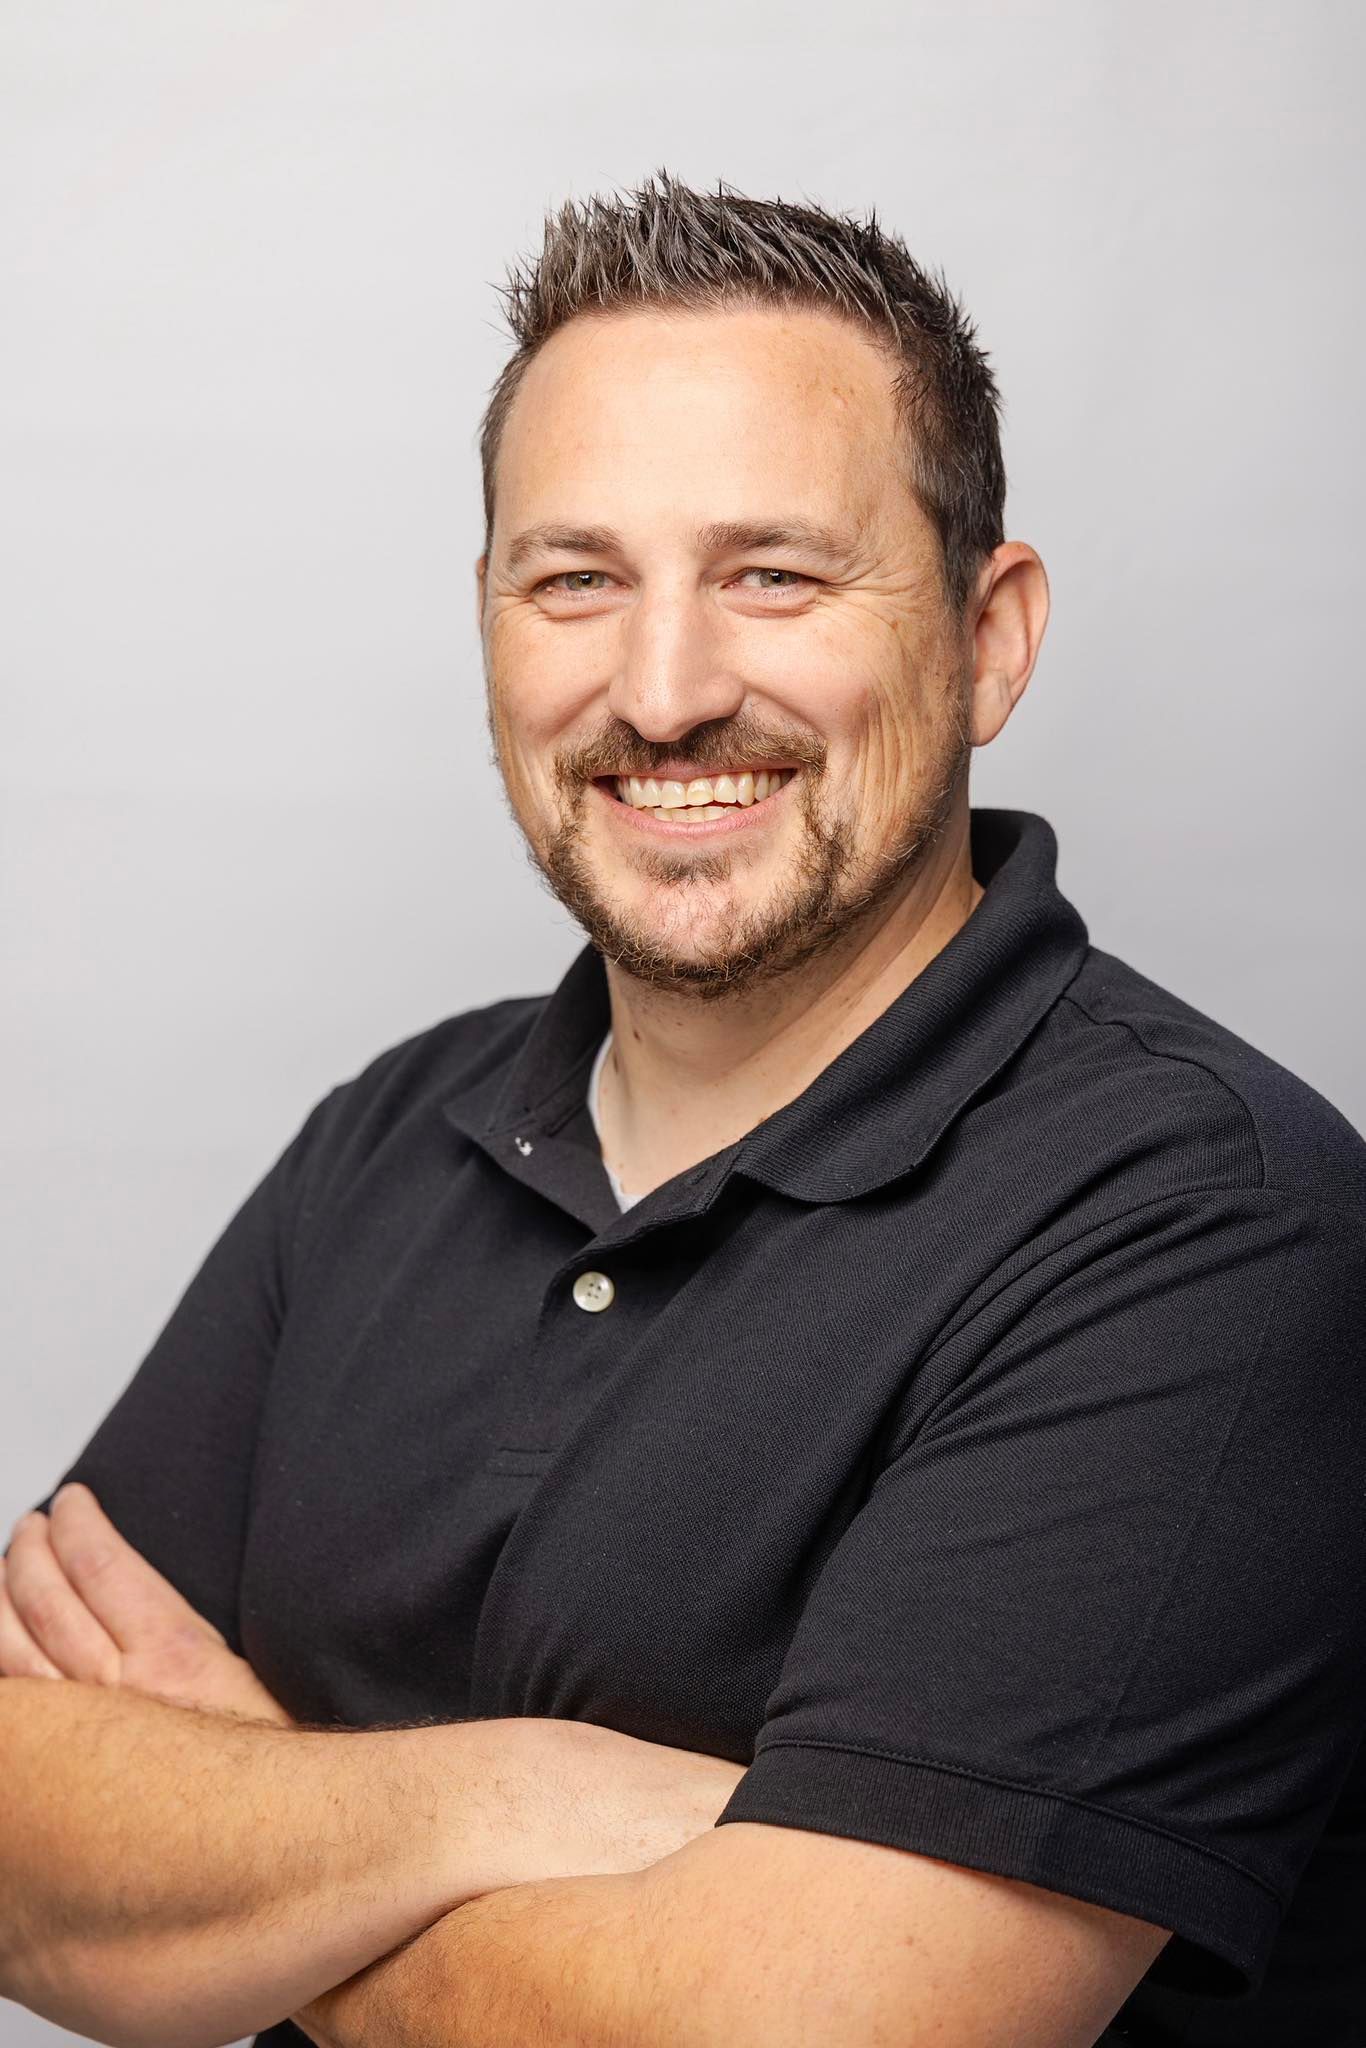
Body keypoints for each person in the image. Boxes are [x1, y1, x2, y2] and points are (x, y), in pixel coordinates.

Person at [3, 168, 1364, 2048]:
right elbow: (18, 1843)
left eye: (773, 575)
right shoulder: (387, 1136)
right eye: (576, 580)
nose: (660, 691)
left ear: (988, 638)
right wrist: (513, 1796)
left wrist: (238, 1824)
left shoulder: (1207, 1218)